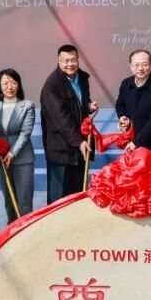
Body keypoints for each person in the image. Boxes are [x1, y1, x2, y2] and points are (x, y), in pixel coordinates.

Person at [40, 44, 97, 203]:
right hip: (61, 150)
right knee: (59, 199)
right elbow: (61, 118)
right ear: (58, 61)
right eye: (66, 61)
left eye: (73, 60)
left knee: (77, 195)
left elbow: (78, 105)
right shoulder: (52, 85)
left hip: (79, 148)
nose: (70, 64)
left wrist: (88, 107)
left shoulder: (82, 78)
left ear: (78, 60)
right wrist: (79, 141)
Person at [0, 69, 36, 222]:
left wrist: (12, 153)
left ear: (19, 84)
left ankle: (26, 231)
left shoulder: (27, 105)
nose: (10, 87)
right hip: (1, 157)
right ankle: (12, 230)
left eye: (14, 83)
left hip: (22, 158)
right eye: (5, 83)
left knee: (24, 201)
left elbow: (25, 133)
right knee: (9, 200)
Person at [115, 50, 151, 164]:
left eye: (144, 64)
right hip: (134, 144)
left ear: (150, 65)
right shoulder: (126, 84)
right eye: (136, 65)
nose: (140, 68)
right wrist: (122, 116)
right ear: (131, 66)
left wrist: (136, 142)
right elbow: (120, 104)